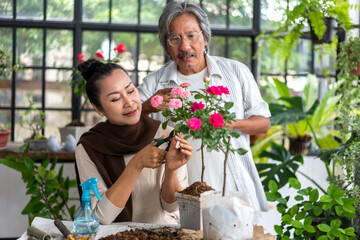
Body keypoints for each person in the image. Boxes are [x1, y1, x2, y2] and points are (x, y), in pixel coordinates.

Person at [138, 1, 271, 221]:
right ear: (166, 45)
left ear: (205, 38)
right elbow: (127, 119)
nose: (184, 47)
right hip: (183, 195)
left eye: (192, 35)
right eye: (175, 39)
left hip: (234, 190)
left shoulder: (235, 72)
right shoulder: (155, 83)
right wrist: (149, 105)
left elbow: (263, 122)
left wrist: (231, 123)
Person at [75, 59, 193, 225]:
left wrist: (171, 171)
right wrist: (136, 164)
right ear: (99, 109)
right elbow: (101, 217)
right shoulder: (89, 147)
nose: (129, 102)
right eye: (115, 99)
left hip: (163, 234)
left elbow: (174, 208)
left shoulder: (167, 135)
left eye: (131, 91)